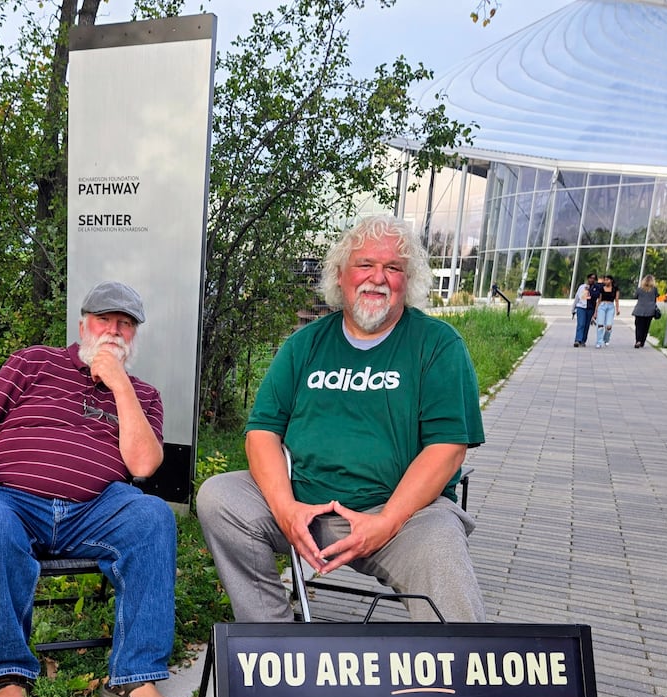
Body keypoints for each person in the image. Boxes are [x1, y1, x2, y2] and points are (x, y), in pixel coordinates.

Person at [196, 215, 486, 623]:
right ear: (340, 275)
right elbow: (261, 433)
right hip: (304, 510)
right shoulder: (305, 345)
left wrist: (385, 522)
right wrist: (285, 509)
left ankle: (464, 679)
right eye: (365, 265)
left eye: (393, 268)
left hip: (402, 516)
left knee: (444, 554)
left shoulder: (437, 345)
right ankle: (274, 647)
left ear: (409, 279)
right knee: (220, 498)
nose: (378, 278)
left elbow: (448, 449)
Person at [0, 281, 186, 697]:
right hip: (10, 498)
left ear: (135, 336)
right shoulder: (33, 361)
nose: (114, 331)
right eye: (104, 320)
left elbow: (144, 464)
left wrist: (118, 384)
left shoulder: (143, 395)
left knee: (153, 516)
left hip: (95, 507)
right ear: (82, 325)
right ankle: (9, 671)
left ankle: (135, 675)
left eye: (125, 324)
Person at [631, 274, 658, 348]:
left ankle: (638, 340)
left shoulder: (639, 289)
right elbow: (656, 298)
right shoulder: (654, 289)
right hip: (650, 310)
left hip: (639, 310)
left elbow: (635, 296)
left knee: (638, 326)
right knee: (646, 327)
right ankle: (642, 341)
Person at [592, 274, 619, 348]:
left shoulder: (615, 289)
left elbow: (616, 299)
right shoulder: (601, 288)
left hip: (610, 306)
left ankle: (606, 339)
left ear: (611, 280)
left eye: (607, 280)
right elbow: (599, 300)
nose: (605, 281)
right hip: (602, 306)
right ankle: (599, 342)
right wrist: (595, 312)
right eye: (605, 280)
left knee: (609, 325)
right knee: (600, 324)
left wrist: (617, 309)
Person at [573, 273, 598, 346]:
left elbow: (596, 298)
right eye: (590, 278)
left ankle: (583, 340)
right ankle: (578, 340)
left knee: (587, 325)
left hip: (590, 308)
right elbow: (577, 297)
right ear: (588, 279)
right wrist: (573, 308)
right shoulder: (582, 287)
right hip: (581, 307)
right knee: (581, 324)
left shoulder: (595, 288)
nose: (592, 280)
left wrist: (590, 290)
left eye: (593, 278)